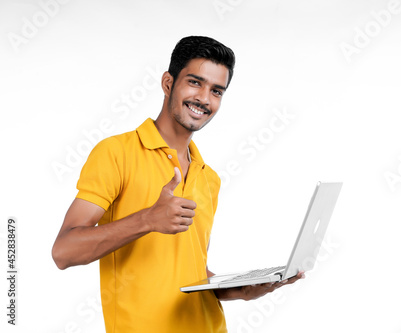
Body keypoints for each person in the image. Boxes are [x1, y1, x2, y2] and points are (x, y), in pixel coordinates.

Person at [52, 36, 304, 332]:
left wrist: (242, 291)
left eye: (217, 91)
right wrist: (147, 219)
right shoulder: (115, 153)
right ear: (168, 83)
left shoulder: (208, 177)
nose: (204, 99)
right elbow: (64, 252)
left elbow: (189, 274)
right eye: (195, 82)